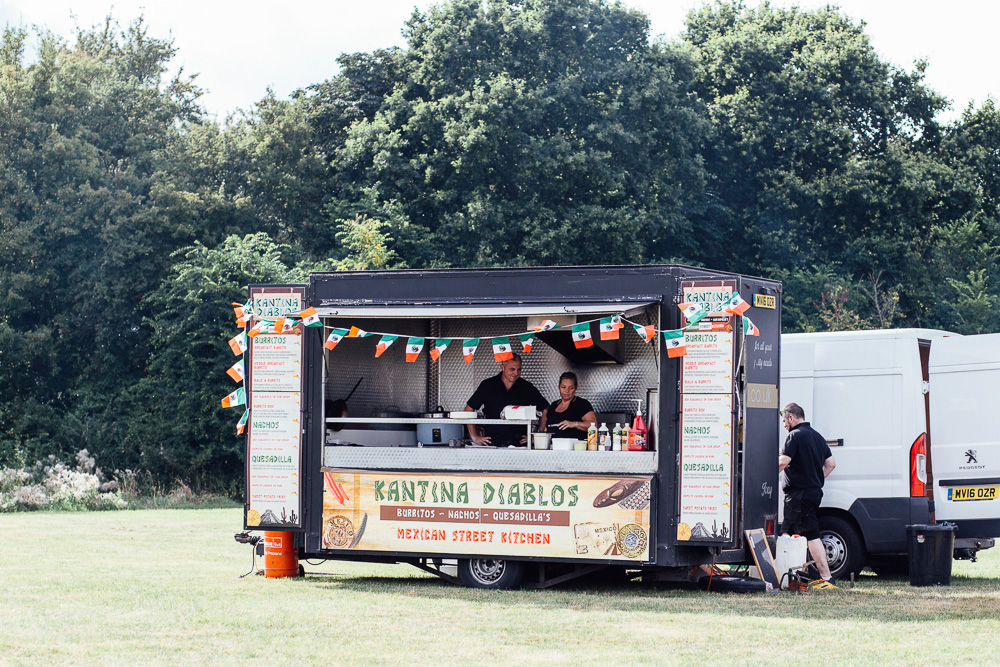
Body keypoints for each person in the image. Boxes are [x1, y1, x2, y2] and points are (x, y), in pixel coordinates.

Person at [778, 402, 837, 588]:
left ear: (791, 417)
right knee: (786, 532)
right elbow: (831, 464)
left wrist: (762, 476)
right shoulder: (818, 437)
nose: (784, 425)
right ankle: (785, 576)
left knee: (811, 534)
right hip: (809, 493)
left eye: (784, 421)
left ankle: (827, 578)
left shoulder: (794, 436)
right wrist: (817, 479)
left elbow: (783, 462)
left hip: (800, 495)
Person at [465, 354, 548, 446]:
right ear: (502, 367)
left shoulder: (527, 387)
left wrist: (536, 436)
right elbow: (469, 409)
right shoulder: (488, 385)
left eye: (519, 369)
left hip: (519, 445)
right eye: (512, 369)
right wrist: (474, 437)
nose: (516, 373)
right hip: (492, 444)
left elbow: (546, 409)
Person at [538, 372, 597, 442]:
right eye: (563, 387)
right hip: (554, 448)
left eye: (571, 388)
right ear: (559, 387)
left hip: (576, 449)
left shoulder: (582, 404)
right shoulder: (553, 405)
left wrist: (574, 424)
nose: (566, 391)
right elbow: (546, 429)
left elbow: (594, 425)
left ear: (575, 388)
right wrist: (533, 439)